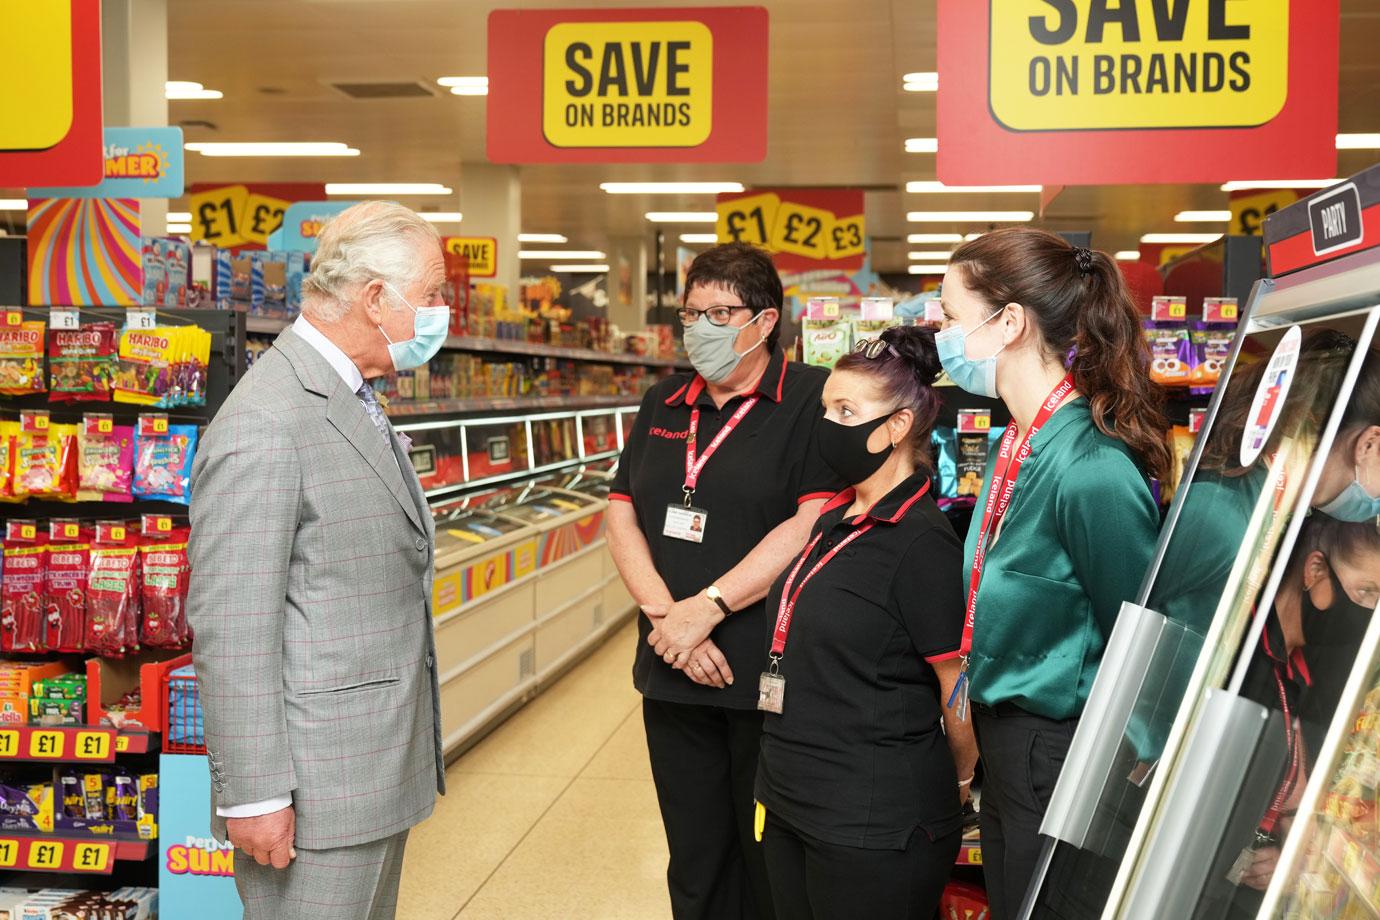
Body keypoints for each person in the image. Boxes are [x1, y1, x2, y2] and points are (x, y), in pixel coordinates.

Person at [188, 201, 448, 920]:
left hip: (365, 771)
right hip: (312, 792)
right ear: (373, 298)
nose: (439, 311)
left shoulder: (349, 394)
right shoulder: (268, 420)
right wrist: (255, 792)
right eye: (430, 294)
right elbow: (232, 624)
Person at [937, 228, 1171, 919]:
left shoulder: (1089, 469)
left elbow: (1144, 627)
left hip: (1058, 750)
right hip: (1008, 742)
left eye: (952, 315)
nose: (942, 333)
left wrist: (1148, 754)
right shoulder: (1018, 440)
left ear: (1008, 322)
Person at [607, 243, 842, 920]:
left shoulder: (811, 398)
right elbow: (622, 510)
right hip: (672, 667)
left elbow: (810, 519)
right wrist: (666, 618)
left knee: (770, 860)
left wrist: (707, 607)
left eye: (719, 312)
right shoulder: (663, 400)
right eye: (690, 313)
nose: (699, 328)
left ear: (764, 321)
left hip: (765, 675)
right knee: (696, 856)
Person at [755, 327, 979, 920]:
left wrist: (960, 778)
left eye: (845, 411)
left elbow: (955, 682)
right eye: (826, 407)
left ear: (898, 426)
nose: (826, 423)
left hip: (872, 821)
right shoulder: (835, 514)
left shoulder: (920, 542)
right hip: (790, 798)